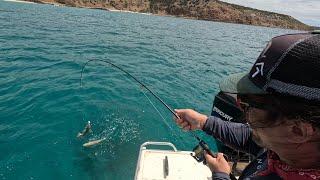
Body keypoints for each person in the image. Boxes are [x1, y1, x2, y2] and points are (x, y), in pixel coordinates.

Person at [174, 32, 320, 180]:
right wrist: (203, 122)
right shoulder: (285, 147)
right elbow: (251, 138)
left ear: (298, 130)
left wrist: (221, 175)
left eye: (247, 105)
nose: (239, 105)